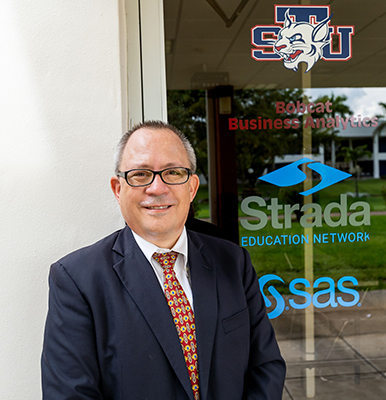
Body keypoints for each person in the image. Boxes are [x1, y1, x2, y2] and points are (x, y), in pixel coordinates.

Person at [41, 121, 286, 399]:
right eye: (141, 174)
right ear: (117, 189)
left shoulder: (233, 261)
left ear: (192, 187)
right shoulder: (77, 280)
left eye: (173, 172)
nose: (157, 188)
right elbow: (70, 394)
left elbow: (266, 367)